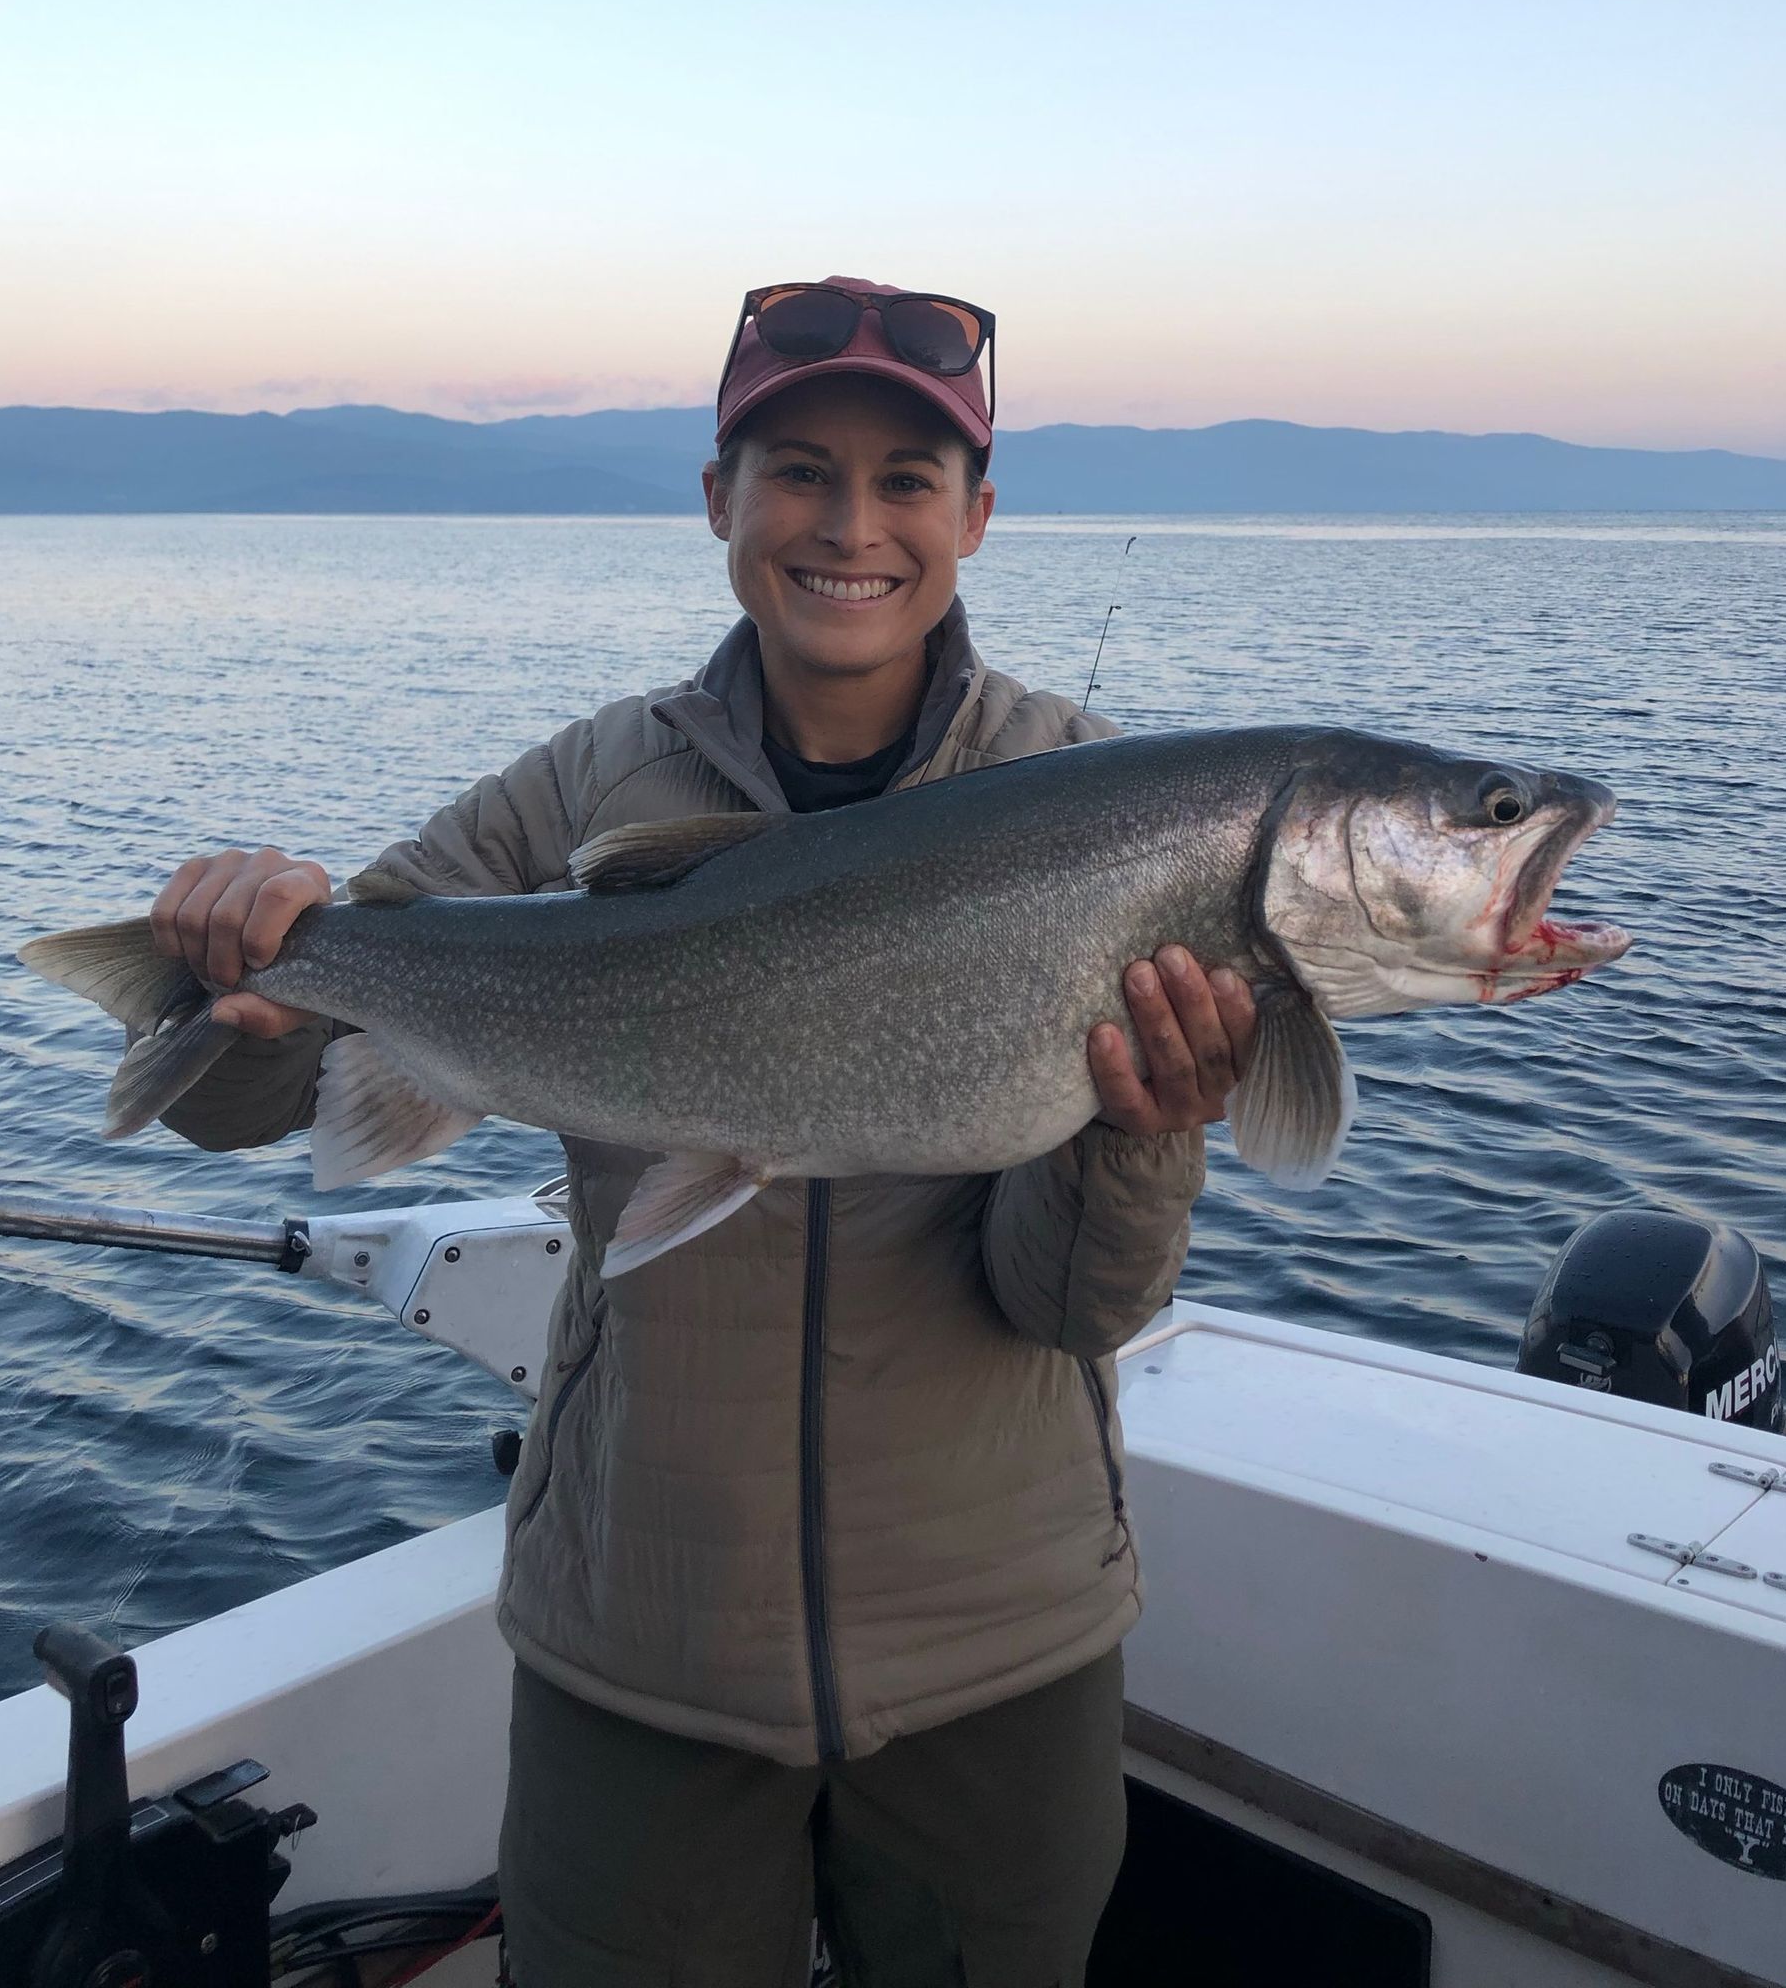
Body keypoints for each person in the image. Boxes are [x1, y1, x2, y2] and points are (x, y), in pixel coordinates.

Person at [149, 278, 1256, 1988]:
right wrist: (237, 967)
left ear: (976, 514)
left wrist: (1143, 1135)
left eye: (905, 481)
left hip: (1000, 1647)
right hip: (636, 1642)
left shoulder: (1094, 803)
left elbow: (1068, 1310)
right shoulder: (591, 784)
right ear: (718, 502)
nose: (849, 525)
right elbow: (285, 1075)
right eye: (797, 471)